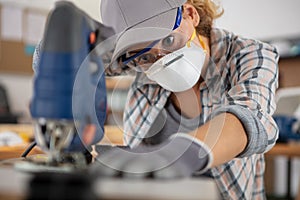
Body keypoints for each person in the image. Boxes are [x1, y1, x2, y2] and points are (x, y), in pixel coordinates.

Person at [97, 0, 280, 199]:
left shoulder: (248, 55)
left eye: (168, 41)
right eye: (144, 57)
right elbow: (93, 59)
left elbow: (251, 116)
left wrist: (182, 153)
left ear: (191, 14)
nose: (162, 60)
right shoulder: (137, 63)